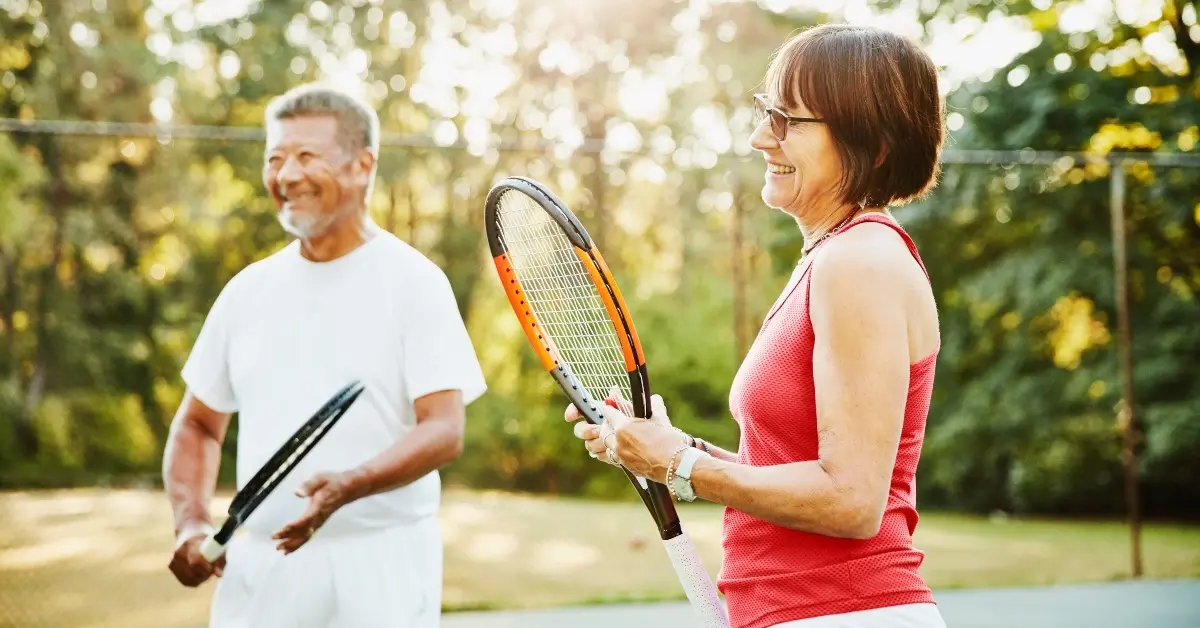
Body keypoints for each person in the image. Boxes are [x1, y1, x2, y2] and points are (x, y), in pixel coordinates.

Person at [568, 24, 948, 628]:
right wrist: (667, 449)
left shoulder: (860, 262)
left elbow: (852, 501)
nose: (758, 138)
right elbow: (791, 470)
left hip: (843, 612)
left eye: (789, 121)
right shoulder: (832, 258)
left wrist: (683, 468)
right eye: (765, 113)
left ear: (871, 144)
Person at [162, 83, 487, 628]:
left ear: (363, 165)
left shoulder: (415, 283)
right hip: (260, 570)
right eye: (275, 158)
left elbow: (444, 430)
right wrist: (190, 525)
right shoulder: (247, 292)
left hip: (382, 567)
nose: (287, 176)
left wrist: (350, 484)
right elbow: (198, 425)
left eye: (306, 156)